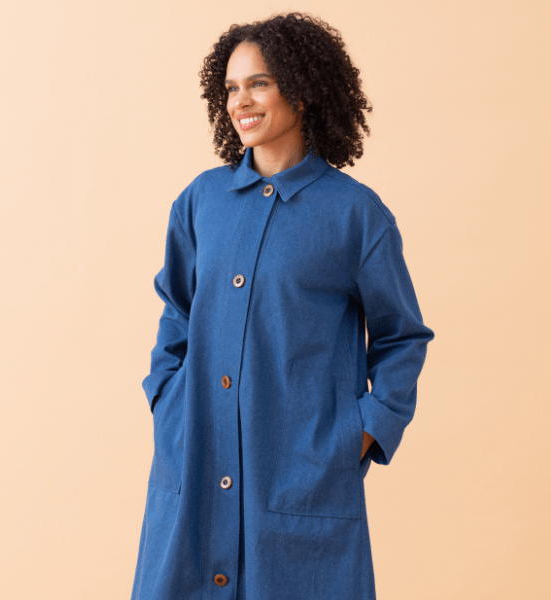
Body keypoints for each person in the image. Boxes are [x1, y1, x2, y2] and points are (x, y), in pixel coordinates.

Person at [129, 12, 434, 600]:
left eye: (259, 83)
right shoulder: (201, 201)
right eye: (231, 88)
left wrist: (361, 434)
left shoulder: (355, 214)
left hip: (301, 477)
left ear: (302, 88)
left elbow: (402, 337)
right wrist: (168, 402)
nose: (241, 101)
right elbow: (176, 312)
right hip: (194, 461)